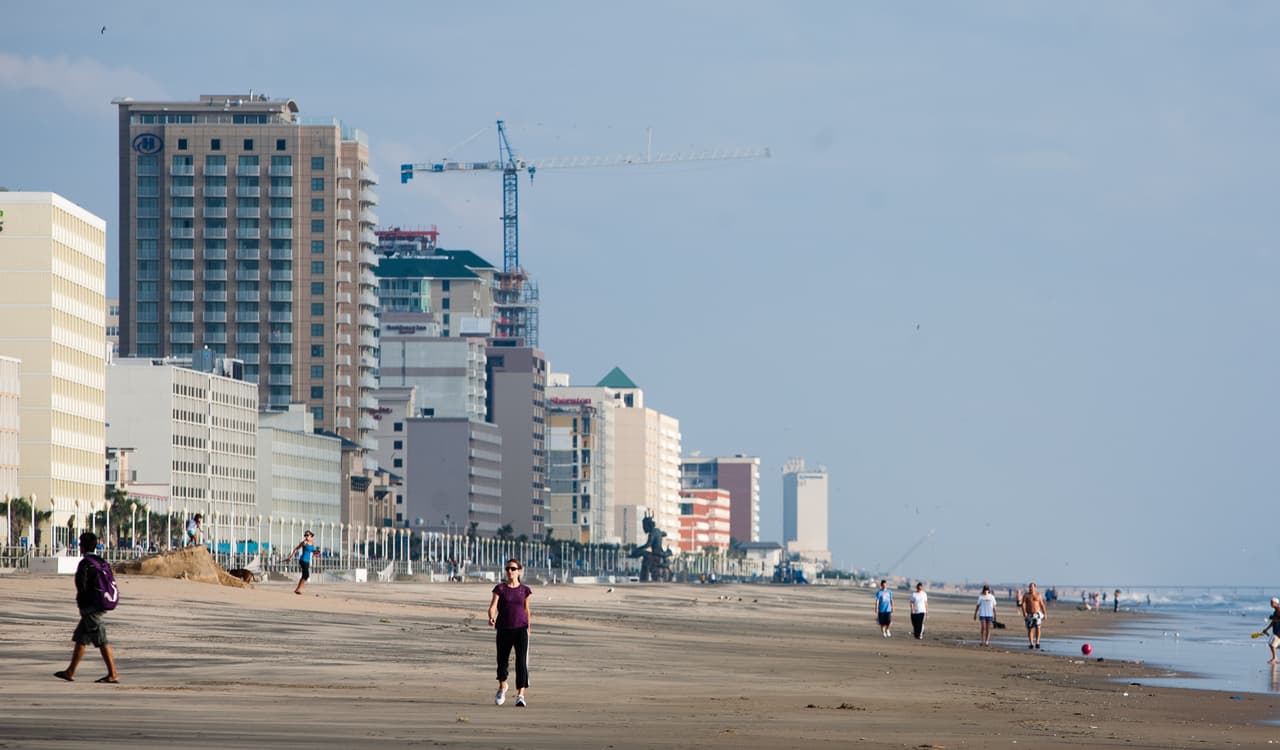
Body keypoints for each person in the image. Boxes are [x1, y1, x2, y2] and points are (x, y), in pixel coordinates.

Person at [54, 532, 120, 684]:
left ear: (82, 547)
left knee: (101, 639)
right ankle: (70, 671)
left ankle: (113, 673)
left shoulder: (85, 563)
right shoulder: (101, 561)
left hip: (91, 607)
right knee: (81, 638)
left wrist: (82, 603)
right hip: (100, 602)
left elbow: (81, 586)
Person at [488, 557, 532, 707]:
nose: (509, 571)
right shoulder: (500, 588)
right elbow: (493, 606)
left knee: (521, 663)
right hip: (503, 629)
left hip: (521, 629)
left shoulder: (525, 590)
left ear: (519, 571)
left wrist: (529, 627)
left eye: (513, 569)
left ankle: (520, 695)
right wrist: (491, 617)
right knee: (502, 661)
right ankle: (502, 686)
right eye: (507, 569)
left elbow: (526, 610)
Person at [289, 530, 318, 595]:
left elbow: (312, 550)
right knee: (306, 575)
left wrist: (316, 552)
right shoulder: (304, 542)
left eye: (307, 535)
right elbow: (296, 549)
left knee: (304, 576)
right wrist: (291, 557)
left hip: (307, 561)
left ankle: (298, 589)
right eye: (305, 535)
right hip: (302, 560)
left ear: (311, 536)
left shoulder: (312, 543)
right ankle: (298, 589)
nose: (306, 536)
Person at [1020, 581, 1047, 649]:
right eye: (1030, 587)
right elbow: (1023, 604)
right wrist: (1024, 613)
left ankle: (1037, 642)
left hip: (1037, 614)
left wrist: (1045, 613)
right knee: (1030, 629)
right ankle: (1031, 643)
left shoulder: (1038, 595)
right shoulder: (1026, 595)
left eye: (1032, 587)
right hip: (1029, 614)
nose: (1030, 588)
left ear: (1035, 587)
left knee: (1038, 628)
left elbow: (1042, 604)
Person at [1261, 597, 1280, 664]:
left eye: (1271, 602)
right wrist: (1266, 629)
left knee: (1272, 645)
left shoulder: (1279, 610)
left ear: (1276, 603)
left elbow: (1275, 620)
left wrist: (1272, 618)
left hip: (1278, 632)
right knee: (1271, 644)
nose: (1270, 604)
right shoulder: (1275, 612)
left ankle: (1275, 658)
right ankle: (1275, 658)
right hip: (1276, 631)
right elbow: (1273, 622)